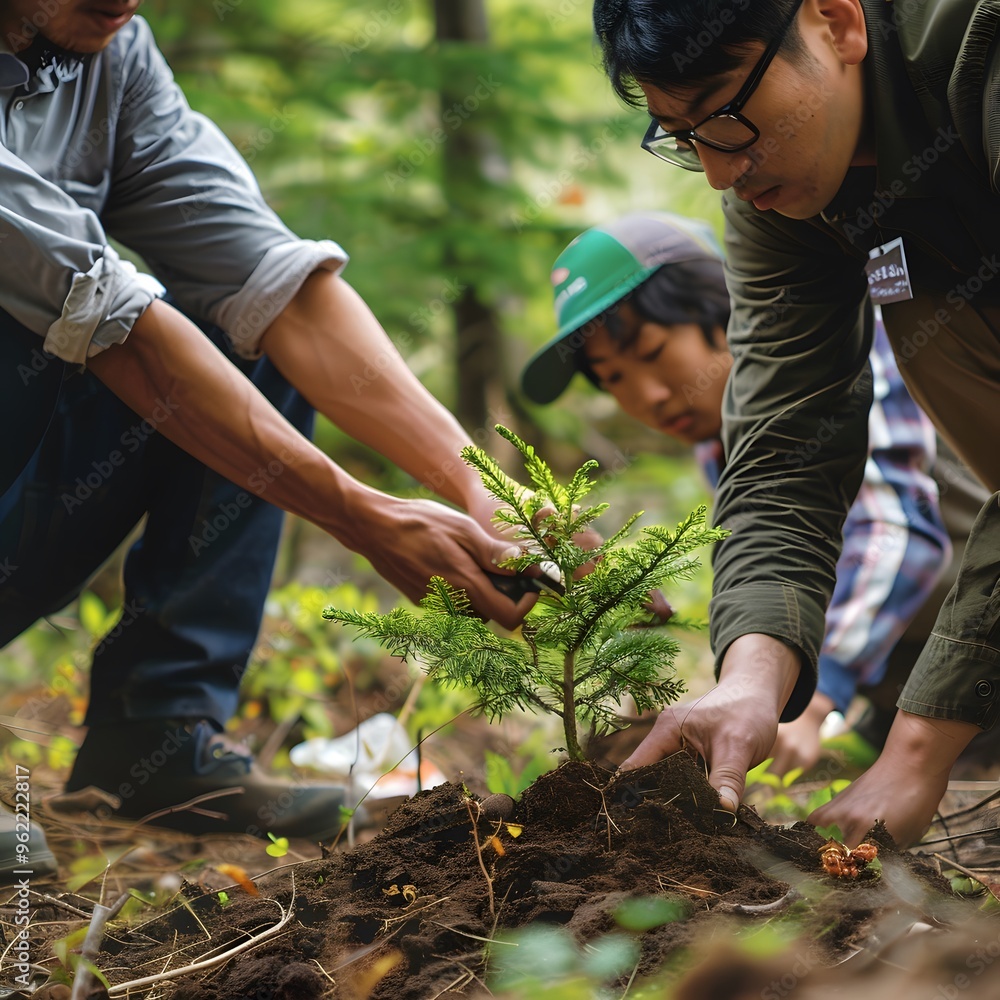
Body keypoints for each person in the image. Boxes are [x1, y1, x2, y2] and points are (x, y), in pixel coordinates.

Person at [0, 0, 537, 878]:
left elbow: (272, 283)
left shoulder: (112, 56)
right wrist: (363, 518)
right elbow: (112, 323)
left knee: (239, 331)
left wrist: (480, 486)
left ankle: (157, 740)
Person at [590, 0, 1000, 845]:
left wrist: (916, 750)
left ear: (838, 24)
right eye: (679, 133)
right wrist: (752, 677)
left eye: (726, 115)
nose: (715, 170)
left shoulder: (978, 54)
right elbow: (784, 450)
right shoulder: (784, 197)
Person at [522, 210, 952, 774]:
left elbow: (897, 535)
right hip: (910, 681)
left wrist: (818, 700)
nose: (647, 396)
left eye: (652, 352)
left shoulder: (843, 350)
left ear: (725, 308)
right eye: (614, 377)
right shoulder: (717, 441)